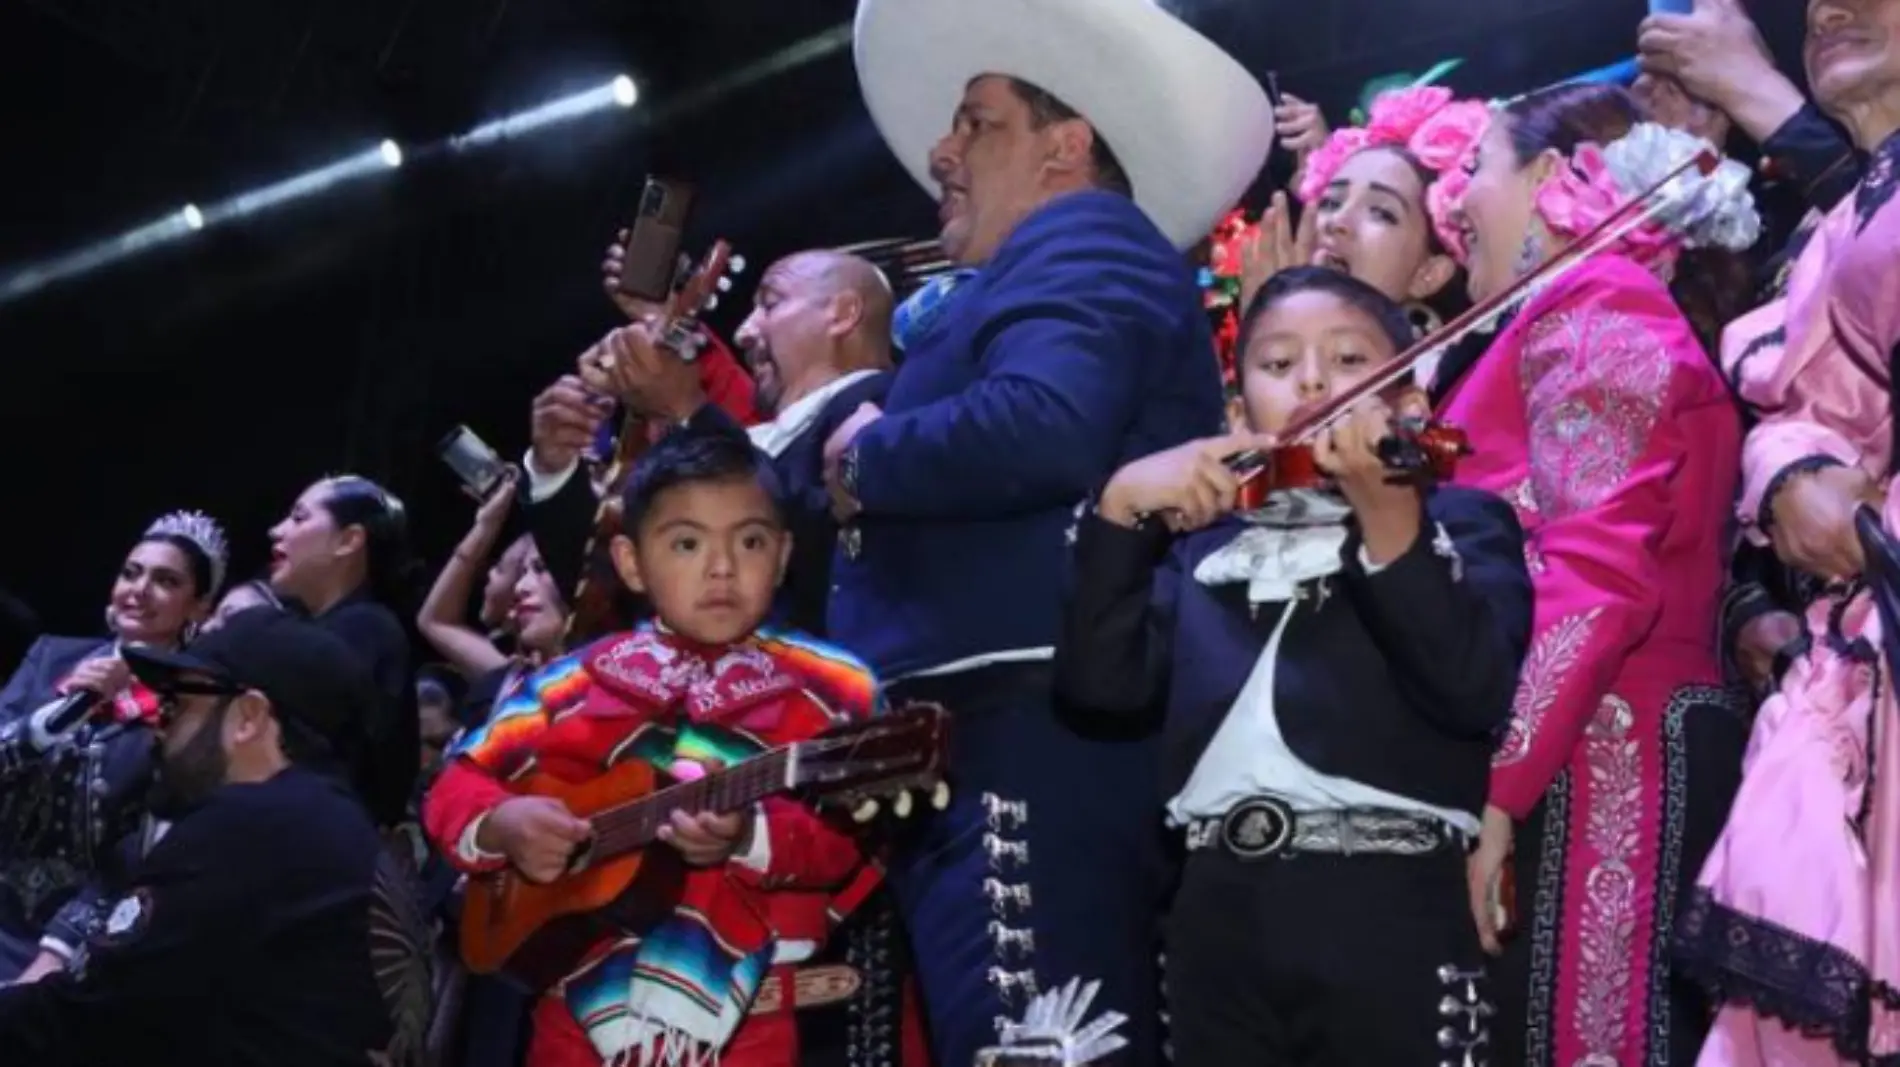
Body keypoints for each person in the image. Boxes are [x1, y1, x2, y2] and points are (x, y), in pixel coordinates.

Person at [827, 1, 1272, 1063]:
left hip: (1025, 726)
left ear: (1066, 147)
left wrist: (862, 458)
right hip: (1001, 723)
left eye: (975, 121)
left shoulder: (1085, 234)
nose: (940, 150)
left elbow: (1044, 424)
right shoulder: (1040, 266)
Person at [1056, 266, 1533, 1063]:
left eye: (1349, 360)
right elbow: (1100, 689)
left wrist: (1390, 518)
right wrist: (1120, 511)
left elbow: (1470, 688)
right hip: (1215, 906)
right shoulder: (1206, 546)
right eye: (1277, 366)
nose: (1311, 378)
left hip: (1387, 900)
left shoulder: (1464, 521)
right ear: (1239, 413)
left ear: (1410, 402)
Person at [1425, 82, 1762, 1065]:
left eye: (1474, 168)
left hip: (1609, 744)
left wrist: (1500, 790)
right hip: (1582, 737)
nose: (1454, 201)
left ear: (1546, 178)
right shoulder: (1562, 315)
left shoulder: (1596, 301)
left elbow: (1595, 571)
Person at [422, 421, 883, 1067]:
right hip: (570, 1014)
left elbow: (857, 836)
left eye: (749, 541)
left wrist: (749, 834)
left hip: (758, 1021)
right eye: (687, 543)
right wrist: (502, 821)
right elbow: (457, 782)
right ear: (632, 562)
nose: (722, 567)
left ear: (782, 555)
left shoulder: (836, 687)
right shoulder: (571, 679)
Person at [1678, 1, 1900, 1061]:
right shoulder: (1843, 215)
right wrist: (1790, 477)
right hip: (1853, 680)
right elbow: (1799, 411)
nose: (1832, 9)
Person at [0, 605, 425, 1065]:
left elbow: (86, 1017)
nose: (159, 727)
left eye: (176, 704)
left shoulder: (258, 826)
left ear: (249, 715)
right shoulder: (330, 825)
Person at [539, 248, 898, 637]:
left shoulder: (890, 413)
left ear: (843, 314)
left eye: (770, 304)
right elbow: (614, 599)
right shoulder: (749, 442)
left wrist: (687, 410)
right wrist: (554, 472)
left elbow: (826, 553)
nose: (744, 331)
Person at [0, 509, 229, 983]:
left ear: (199, 608)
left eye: (165, 581)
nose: (139, 590)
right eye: (131, 573)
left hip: (82, 937)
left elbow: (142, 854)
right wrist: (60, 715)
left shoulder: (190, 707)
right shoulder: (52, 656)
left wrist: (57, 955)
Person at [268, 475, 420, 826]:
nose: (276, 531)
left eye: (299, 517)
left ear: (349, 540)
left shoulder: (366, 628)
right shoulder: (337, 627)